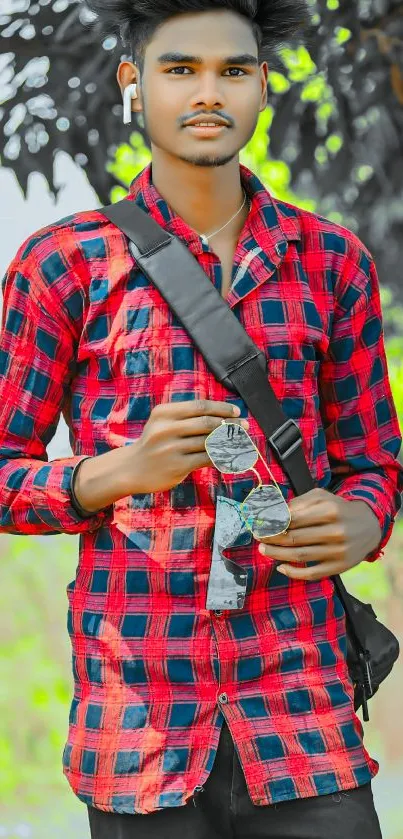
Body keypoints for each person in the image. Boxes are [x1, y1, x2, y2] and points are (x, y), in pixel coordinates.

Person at [0, 1, 402, 837]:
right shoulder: (62, 263)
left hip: (301, 710)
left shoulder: (332, 263)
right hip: (140, 720)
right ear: (133, 85)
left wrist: (362, 519)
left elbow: (375, 460)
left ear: (262, 85)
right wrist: (113, 472)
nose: (208, 92)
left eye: (234, 70)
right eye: (180, 69)